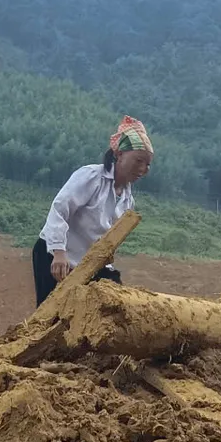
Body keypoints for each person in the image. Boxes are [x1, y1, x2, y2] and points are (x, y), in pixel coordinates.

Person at [32, 116, 153, 306]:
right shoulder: (91, 177)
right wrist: (59, 253)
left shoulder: (128, 201)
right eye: (138, 160)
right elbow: (59, 209)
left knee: (113, 308)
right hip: (55, 255)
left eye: (147, 164)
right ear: (119, 154)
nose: (143, 169)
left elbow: (107, 242)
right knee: (50, 319)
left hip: (87, 265)